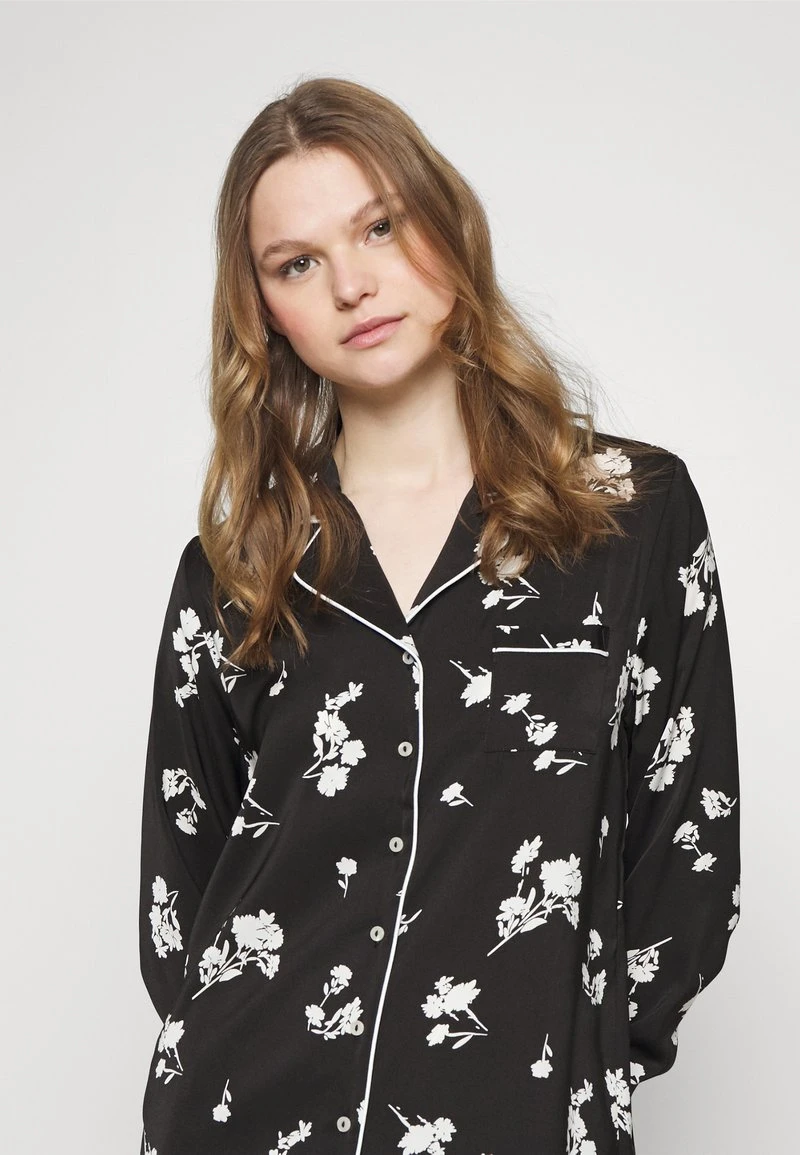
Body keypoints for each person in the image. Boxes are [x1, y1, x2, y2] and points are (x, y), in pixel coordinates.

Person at [138, 76, 741, 1155]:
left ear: (447, 224)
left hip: (522, 1112)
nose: (352, 285)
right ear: (263, 310)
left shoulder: (628, 516)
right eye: (297, 263)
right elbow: (181, 892)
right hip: (248, 1116)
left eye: (379, 225)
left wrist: (582, 1063)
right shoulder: (238, 569)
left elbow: (686, 849)